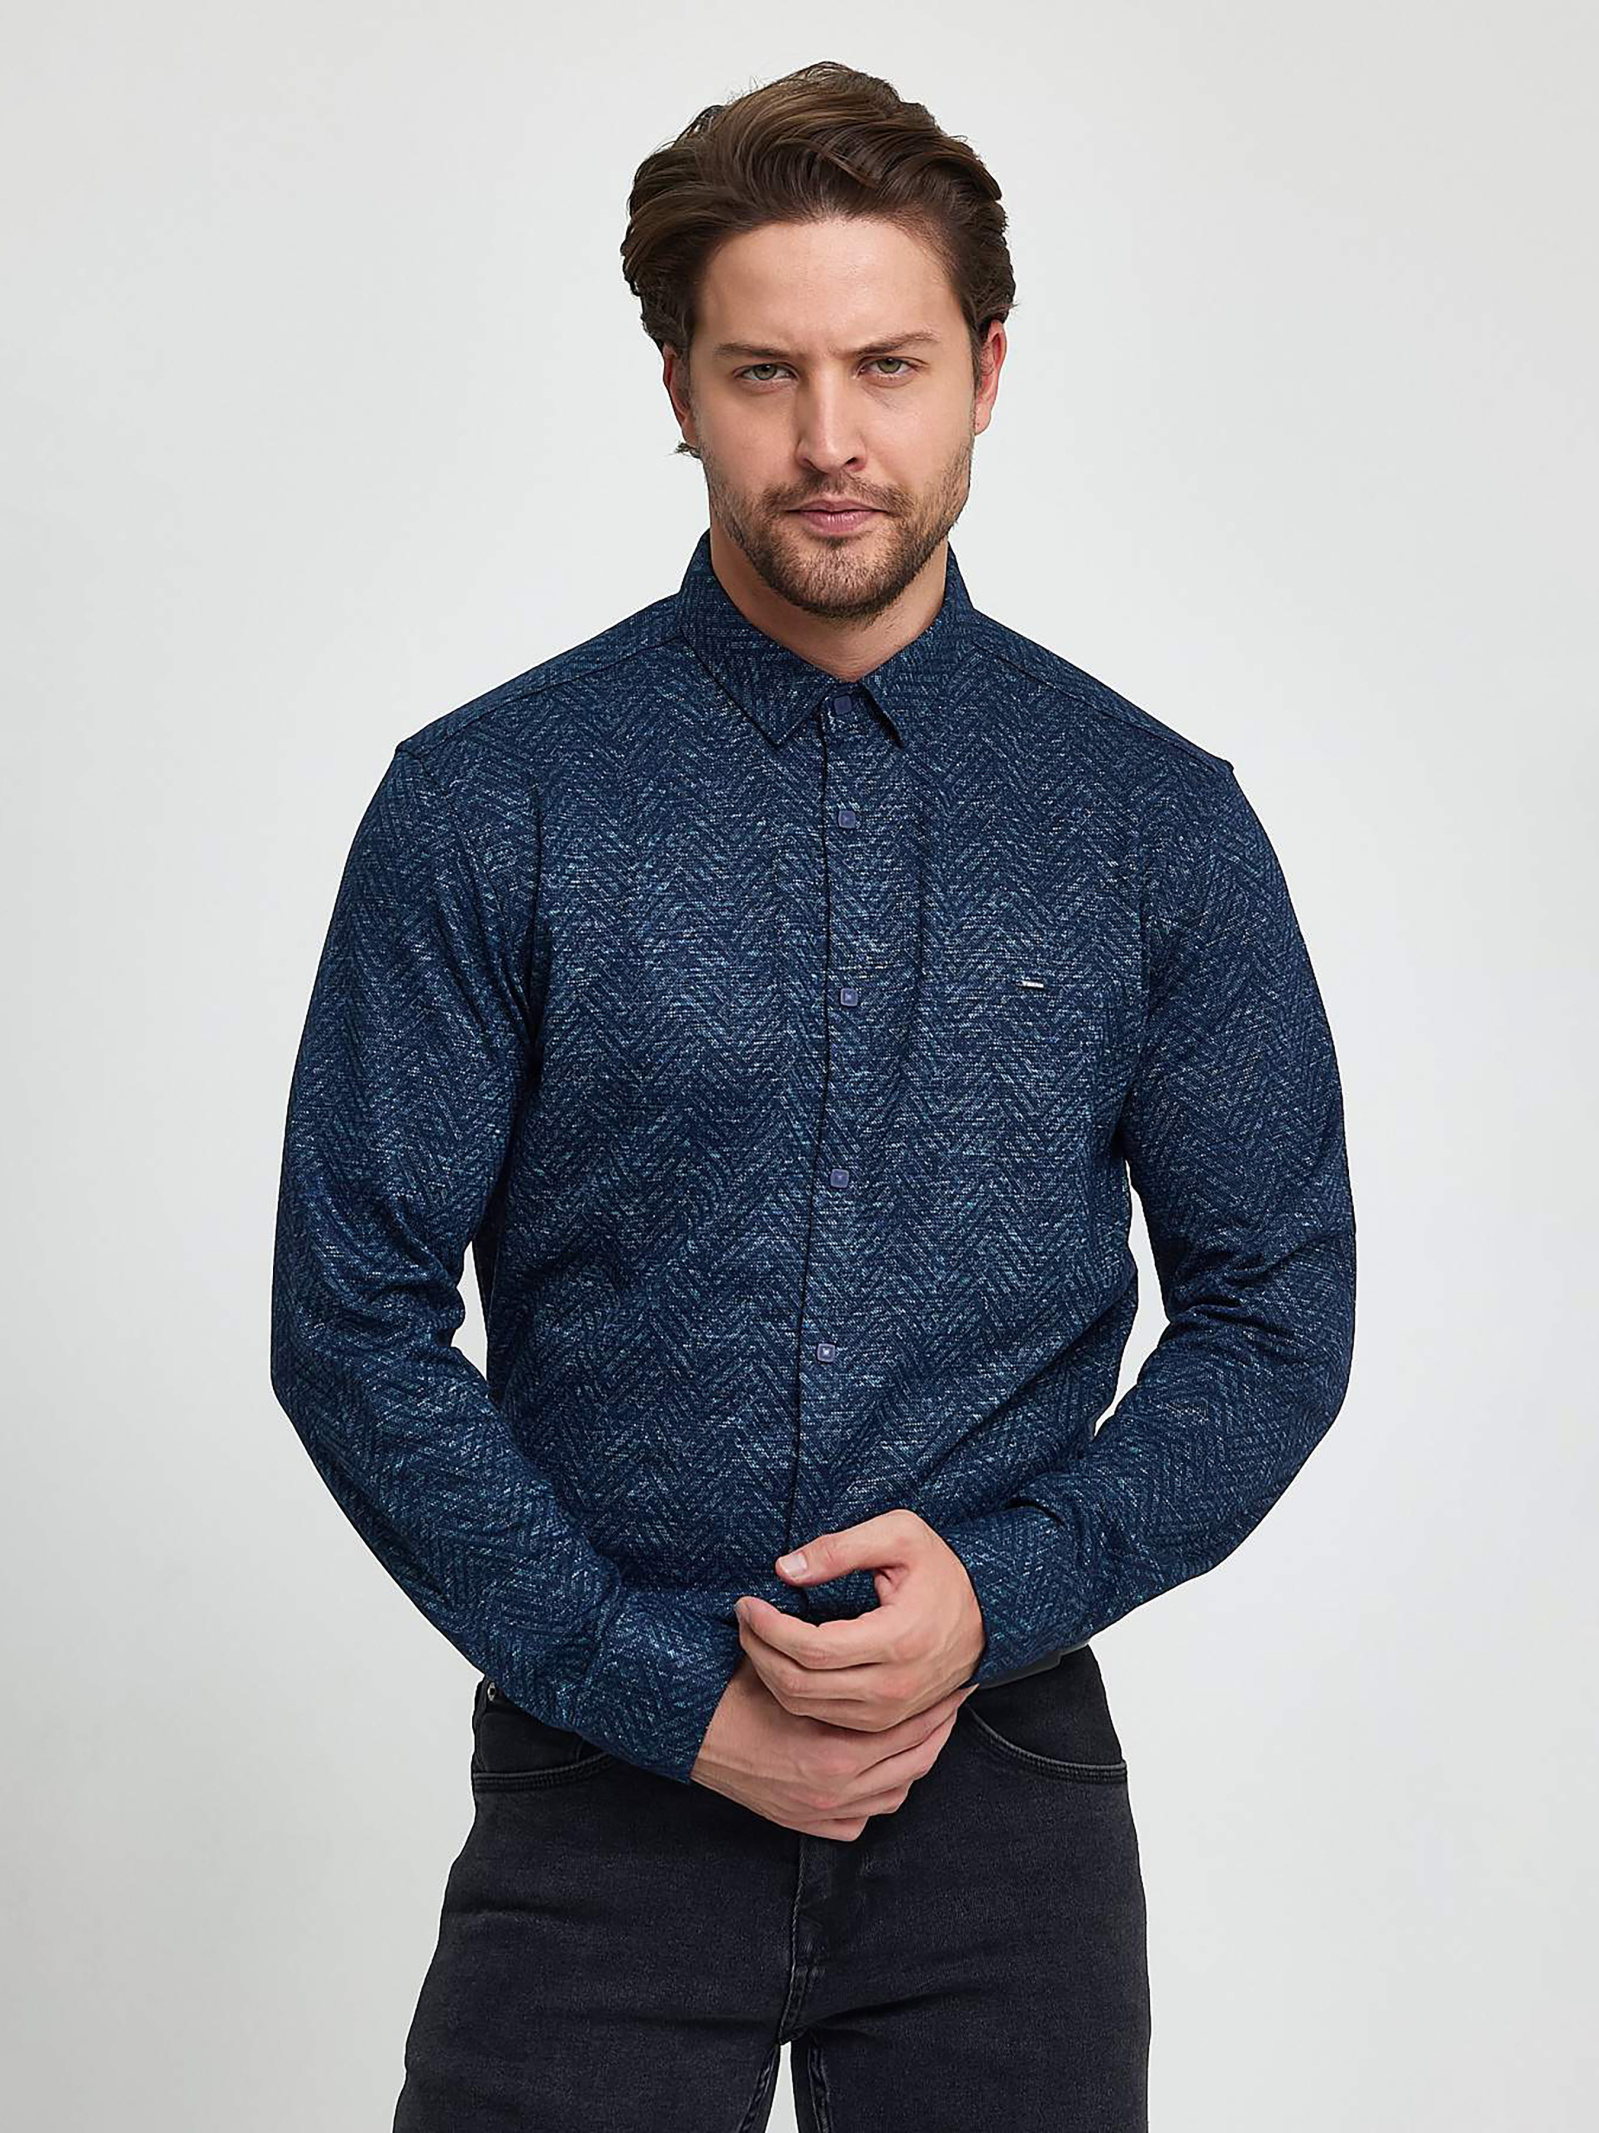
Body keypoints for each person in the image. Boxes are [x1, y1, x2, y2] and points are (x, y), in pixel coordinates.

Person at [269, 58, 1356, 2133]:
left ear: (987, 372)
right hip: (602, 1786)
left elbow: (1275, 1310)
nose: (831, 438)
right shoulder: (487, 804)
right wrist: (659, 1689)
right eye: (764, 371)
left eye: (889, 365)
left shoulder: (1153, 823)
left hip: (1002, 1793)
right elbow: (349, 1317)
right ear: (677, 386)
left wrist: (1003, 1591)